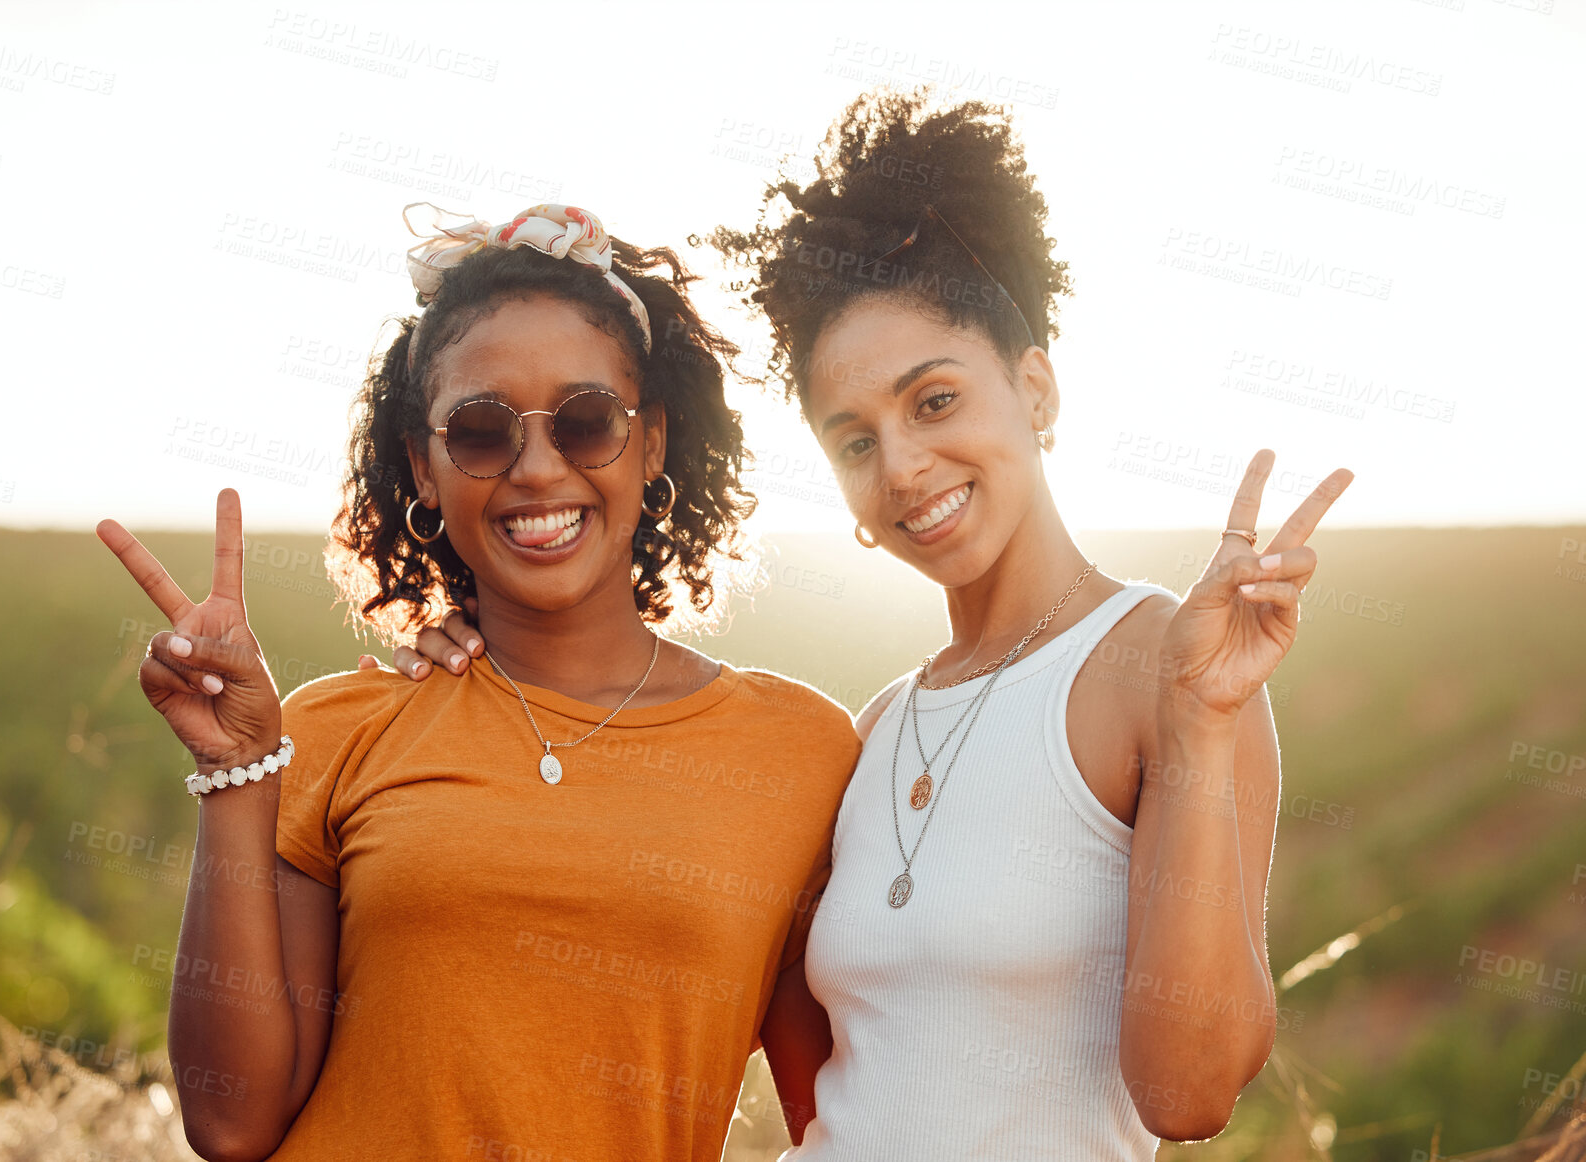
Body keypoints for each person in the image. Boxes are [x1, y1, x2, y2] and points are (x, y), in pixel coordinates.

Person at [390, 94, 1352, 1158]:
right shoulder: (874, 730)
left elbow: (1188, 1091)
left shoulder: (1163, 670)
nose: (900, 468)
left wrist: (1203, 717)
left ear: (1033, 388)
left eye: (933, 402)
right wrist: (473, 672)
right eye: (854, 441)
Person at [97, 202, 857, 1161]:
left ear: (652, 442)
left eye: (586, 423)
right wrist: (239, 769)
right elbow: (231, 1121)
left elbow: (833, 1125)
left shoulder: (799, 755)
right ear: (424, 466)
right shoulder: (339, 728)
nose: (538, 470)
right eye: (483, 432)